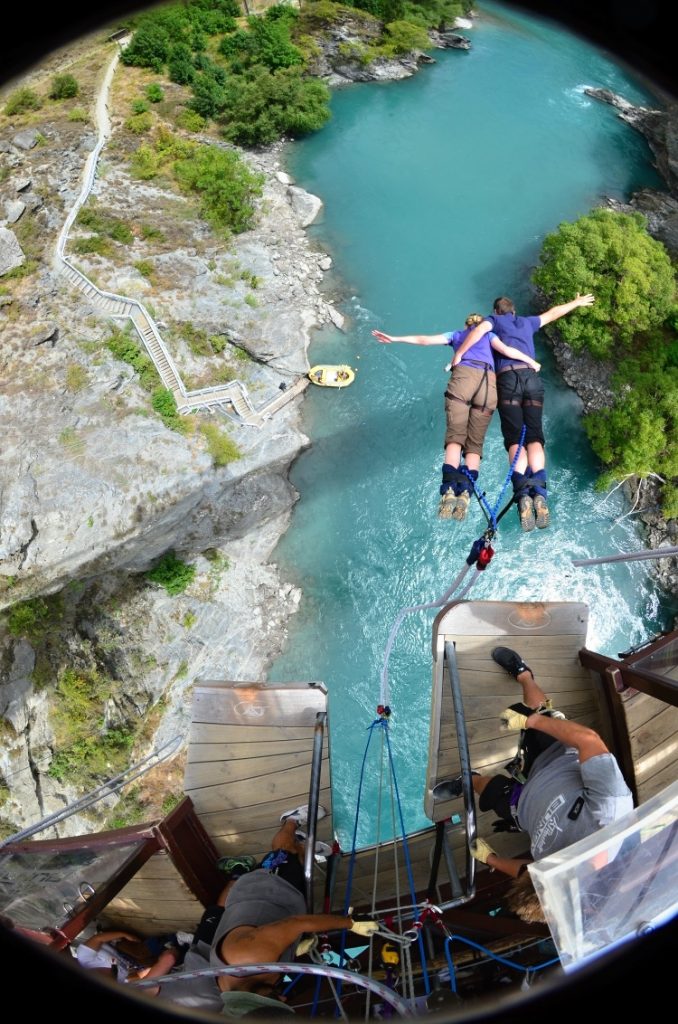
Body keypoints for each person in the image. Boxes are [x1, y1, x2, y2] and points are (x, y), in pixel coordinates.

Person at [434, 646, 633, 920]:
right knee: (537, 710)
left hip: (522, 809)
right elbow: (589, 740)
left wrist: (489, 859)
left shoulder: (555, 879)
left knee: (488, 790)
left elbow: (526, 871)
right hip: (554, 758)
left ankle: (467, 781)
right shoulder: (609, 813)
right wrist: (532, 721)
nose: (538, 871)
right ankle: (524, 674)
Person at [148, 805, 378, 1017]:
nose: (283, 996)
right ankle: (301, 849)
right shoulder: (233, 989)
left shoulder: (248, 957)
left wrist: (350, 923)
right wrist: (292, 949)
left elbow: (298, 924)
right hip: (279, 906)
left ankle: (291, 823)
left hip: (265, 890)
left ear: (251, 999)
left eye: (275, 999)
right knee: (295, 865)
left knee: (281, 851)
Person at [372, 316, 541, 521]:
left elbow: (424, 340)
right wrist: (531, 362)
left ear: (466, 325)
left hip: (463, 380)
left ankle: (450, 488)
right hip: (488, 387)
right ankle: (466, 492)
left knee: (455, 436)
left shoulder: (456, 335)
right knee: (474, 444)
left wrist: (394, 338)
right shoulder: (489, 335)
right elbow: (507, 351)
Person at [452, 294, 594, 531]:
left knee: (515, 439)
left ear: (496, 312)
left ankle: (523, 494)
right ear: (514, 311)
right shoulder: (527, 322)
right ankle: (538, 491)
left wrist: (459, 353)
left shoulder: (493, 321)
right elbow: (553, 313)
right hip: (532, 380)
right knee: (535, 437)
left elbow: (478, 332)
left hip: (508, 381)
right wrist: (576, 303)